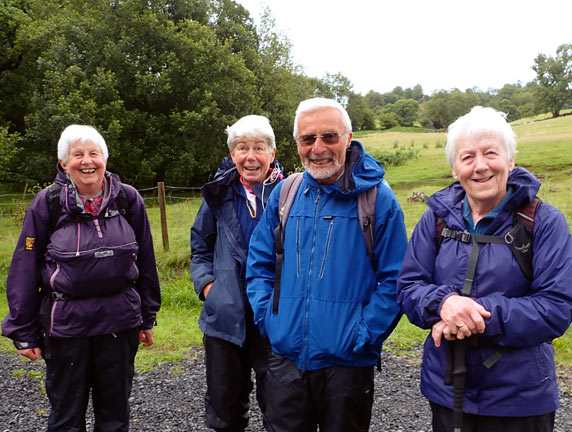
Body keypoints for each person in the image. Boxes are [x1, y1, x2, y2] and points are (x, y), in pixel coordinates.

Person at [397, 106, 572, 432]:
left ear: (510, 160)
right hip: (447, 390)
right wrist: (444, 303)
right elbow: (408, 286)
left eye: (491, 153)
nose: (480, 166)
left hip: (520, 400)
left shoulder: (544, 223)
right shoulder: (435, 219)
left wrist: (472, 315)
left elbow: (556, 308)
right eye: (467, 157)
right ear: (454, 169)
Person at [246, 98, 407, 432]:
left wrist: (362, 335)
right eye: (308, 139)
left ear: (348, 139)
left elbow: (396, 279)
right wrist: (269, 320)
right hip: (285, 359)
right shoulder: (285, 193)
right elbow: (259, 262)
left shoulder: (377, 199)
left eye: (329, 137)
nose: (318, 148)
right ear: (297, 144)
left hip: (347, 363)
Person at [2, 124, 161, 431]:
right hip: (66, 326)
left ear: (105, 158)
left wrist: (147, 316)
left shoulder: (128, 200)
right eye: (77, 154)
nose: (87, 161)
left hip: (120, 322)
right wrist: (23, 330)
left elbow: (146, 260)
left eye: (94, 153)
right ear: (64, 163)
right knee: (66, 416)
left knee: (115, 415)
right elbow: (25, 263)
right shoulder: (46, 203)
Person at [190, 115, 283, 431]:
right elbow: (200, 247)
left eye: (259, 147)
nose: (250, 156)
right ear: (232, 154)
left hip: (275, 319)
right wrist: (209, 289)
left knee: (281, 410)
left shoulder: (290, 193)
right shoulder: (218, 193)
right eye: (242, 148)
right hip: (225, 320)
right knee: (224, 412)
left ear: (272, 152)